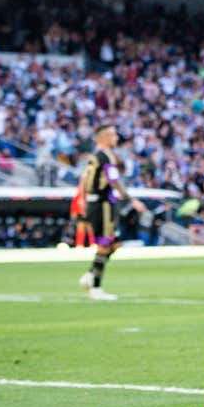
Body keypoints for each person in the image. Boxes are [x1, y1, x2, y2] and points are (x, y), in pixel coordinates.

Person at [77, 124, 146, 301]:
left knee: (114, 244)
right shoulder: (106, 157)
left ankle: (90, 275)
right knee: (105, 243)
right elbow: (114, 181)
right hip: (103, 204)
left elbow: (84, 179)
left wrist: (84, 201)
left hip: (97, 203)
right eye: (114, 135)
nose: (116, 138)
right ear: (105, 137)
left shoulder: (95, 157)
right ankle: (96, 287)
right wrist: (132, 200)